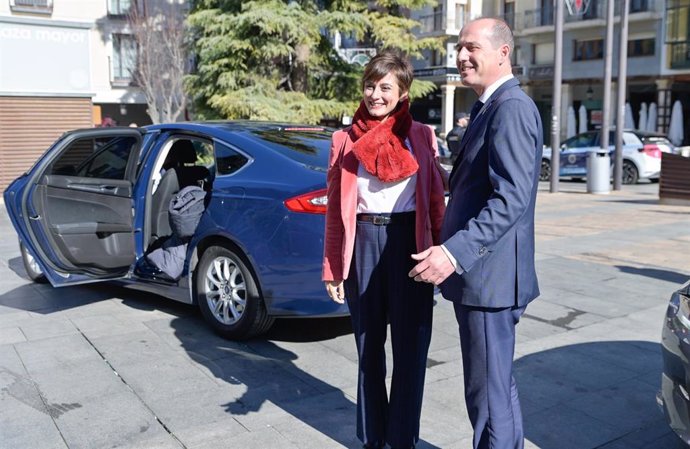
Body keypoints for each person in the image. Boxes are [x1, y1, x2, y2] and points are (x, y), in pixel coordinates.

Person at [408, 17, 543, 449]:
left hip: (490, 280)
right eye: (459, 49)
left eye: (472, 48)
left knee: (486, 397)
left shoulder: (512, 108)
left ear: (503, 53)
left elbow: (511, 199)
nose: (462, 56)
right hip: (485, 279)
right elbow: (477, 184)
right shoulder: (489, 107)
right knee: (496, 390)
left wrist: (452, 254)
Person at [322, 49, 446, 449]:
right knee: (368, 348)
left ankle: (403, 437)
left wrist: (442, 255)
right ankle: (374, 438)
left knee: (411, 350)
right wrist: (332, 268)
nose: (376, 95)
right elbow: (334, 213)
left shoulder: (421, 136)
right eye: (370, 86)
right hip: (363, 246)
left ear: (403, 91)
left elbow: (434, 202)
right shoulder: (343, 140)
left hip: (410, 245)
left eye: (386, 87)